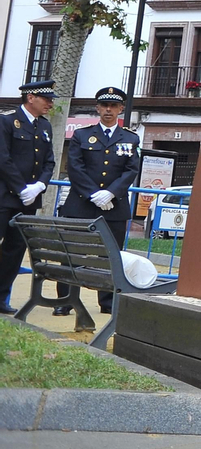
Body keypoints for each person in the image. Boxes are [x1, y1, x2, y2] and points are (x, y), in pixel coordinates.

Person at [59, 87, 142, 313]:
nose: (108, 110)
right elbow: (74, 167)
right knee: (73, 253)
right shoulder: (81, 135)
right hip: (81, 204)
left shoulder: (130, 138)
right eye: (104, 105)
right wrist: (93, 194)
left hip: (114, 207)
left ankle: (107, 303)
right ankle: (65, 301)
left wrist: (111, 192)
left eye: (113, 106)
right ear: (97, 108)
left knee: (110, 256)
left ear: (121, 109)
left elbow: (131, 169)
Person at [0, 81, 58, 315]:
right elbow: (3, 159)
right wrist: (21, 187)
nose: (50, 104)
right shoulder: (7, 121)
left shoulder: (44, 126)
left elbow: (49, 161)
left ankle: (1, 296)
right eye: (47, 99)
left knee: (14, 251)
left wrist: (39, 186)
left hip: (28, 201)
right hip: (5, 196)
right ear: (31, 97)